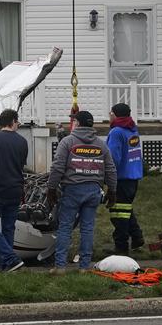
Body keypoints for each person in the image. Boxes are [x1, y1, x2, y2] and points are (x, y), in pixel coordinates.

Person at [47, 110, 117, 274]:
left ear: (78, 123)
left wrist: (51, 188)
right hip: (93, 191)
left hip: (72, 190)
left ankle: (60, 266)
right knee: (87, 228)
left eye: (74, 121)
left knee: (65, 227)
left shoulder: (68, 142)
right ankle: (84, 267)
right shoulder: (101, 144)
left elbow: (57, 167)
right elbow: (111, 169)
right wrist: (112, 191)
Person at [0, 109, 28, 273]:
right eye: (17, 122)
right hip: (16, 188)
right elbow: (21, 165)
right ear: (12, 121)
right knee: (9, 227)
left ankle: (11, 259)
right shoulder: (22, 141)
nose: (18, 124)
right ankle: (6, 265)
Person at [106, 103, 144, 255]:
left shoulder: (116, 132)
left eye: (110, 113)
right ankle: (137, 237)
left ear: (115, 115)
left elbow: (113, 157)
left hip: (121, 178)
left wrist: (108, 177)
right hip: (133, 177)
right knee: (125, 209)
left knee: (118, 214)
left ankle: (121, 247)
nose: (109, 116)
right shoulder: (132, 129)